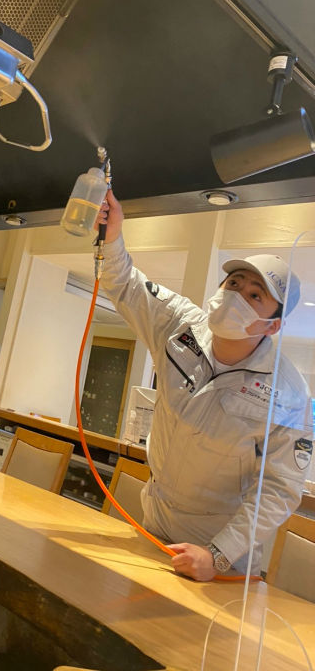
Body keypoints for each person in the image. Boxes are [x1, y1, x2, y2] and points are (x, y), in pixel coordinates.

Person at [96, 189, 313, 581]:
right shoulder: (180, 326)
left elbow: (279, 489)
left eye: (255, 295)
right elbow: (126, 284)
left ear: (272, 326)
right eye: (234, 282)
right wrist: (112, 238)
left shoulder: (289, 393)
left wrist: (217, 556)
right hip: (155, 521)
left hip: (218, 549)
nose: (236, 296)